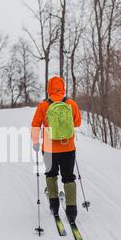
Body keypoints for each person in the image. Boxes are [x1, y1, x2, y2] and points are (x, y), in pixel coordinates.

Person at [31, 76, 82, 225]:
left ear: (49, 88)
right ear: (63, 87)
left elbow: (35, 125)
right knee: (69, 177)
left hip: (49, 148)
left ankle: (54, 206)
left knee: (51, 174)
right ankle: (72, 211)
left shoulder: (44, 105)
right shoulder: (71, 103)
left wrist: (35, 142)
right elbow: (77, 123)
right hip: (68, 147)